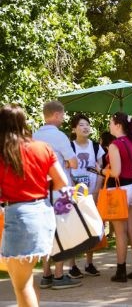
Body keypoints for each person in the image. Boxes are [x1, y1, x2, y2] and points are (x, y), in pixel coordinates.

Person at [0, 104, 69, 306]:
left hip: (18, 216)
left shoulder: (4, 151)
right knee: (26, 280)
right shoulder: (42, 147)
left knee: (21, 285)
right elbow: (61, 182)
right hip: (43, 213)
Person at [32, 101, 81, 290]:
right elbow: (74, 163)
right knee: (62, 231)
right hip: (60, 191)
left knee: (46, 232)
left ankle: (46, 274)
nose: (64, 118)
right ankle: (59, 275)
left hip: (41, 191)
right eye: (63, 115)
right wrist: (67, 164)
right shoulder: (60, 137)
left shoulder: (34, 136)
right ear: (57, 115)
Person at [102, 112, 132, 282]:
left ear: (118, 125)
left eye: (110, 122)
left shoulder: (114, 145)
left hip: (120, 190)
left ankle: (121, 271)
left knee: (120, 232)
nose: (109, 126)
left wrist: (103, 171)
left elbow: (116, 172)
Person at [68, 114, 105, 277]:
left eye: (87, 124)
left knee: (91, 228)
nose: (85, 127)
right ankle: (72, 265)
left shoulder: (96, 147)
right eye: (81, 125)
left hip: (91, 194)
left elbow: (100, 171)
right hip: (74, 195)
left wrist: (96, 191)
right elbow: (66, 171)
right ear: (74, 129)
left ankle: (89, 263)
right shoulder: (69, 147)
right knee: (73, 229)